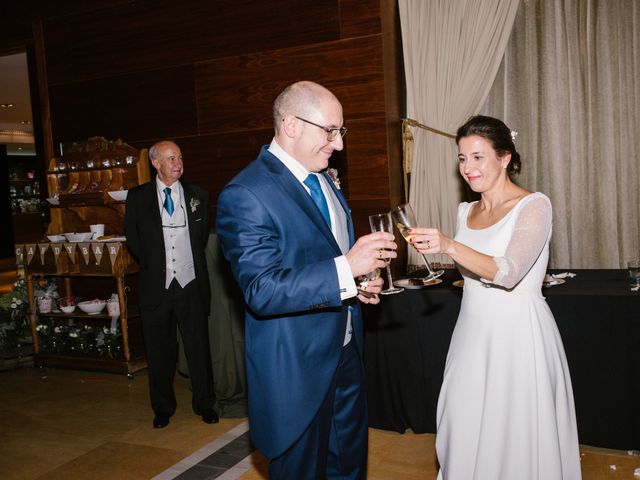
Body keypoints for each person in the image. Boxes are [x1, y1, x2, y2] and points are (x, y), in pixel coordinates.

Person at [216, 80, 395, 479]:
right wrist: (347, 269)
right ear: (291, 125)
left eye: (341, 131)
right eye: (330, 131)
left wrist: (361, 282)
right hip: (296, 368)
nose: (339, 144)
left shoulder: (324, 178)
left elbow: (327, 256)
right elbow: (262, 290)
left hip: (347, 355)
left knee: (348, 467)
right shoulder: (246, 192)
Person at [409, 115, 581, 479]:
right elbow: (471, 273)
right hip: (472, 334)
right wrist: (441, 250)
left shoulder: (534, 205)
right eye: (461, 159)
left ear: (504, 158)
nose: (468, 168)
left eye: (477, 157)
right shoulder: (465, 211)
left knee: (515, 433)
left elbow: (509, 271)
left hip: (519, 336)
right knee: (461, 421)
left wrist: (449, 245)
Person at [124, 140, 218, 429]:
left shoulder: (197, 195)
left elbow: (199, 239)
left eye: (179, 157)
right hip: (157, 286)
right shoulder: (137, 198)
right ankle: (162, 408)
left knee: (199, 349)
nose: (178, 163)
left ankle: (205, 404)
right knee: (159, 351)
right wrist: (158, 266)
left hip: (190, 284)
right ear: (156, 163)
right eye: (171, 158)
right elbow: (135, 241)